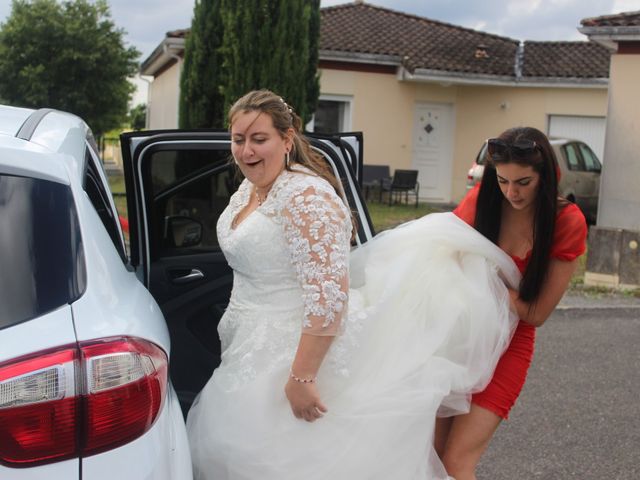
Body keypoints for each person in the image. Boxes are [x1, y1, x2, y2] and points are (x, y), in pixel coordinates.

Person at [186, 89, 522, 479]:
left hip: (293, 355)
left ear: (287, 139)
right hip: (248, 347)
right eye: (238, 140)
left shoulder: (307, 197)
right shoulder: (250, 189)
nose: (246, 151)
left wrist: (302, 378)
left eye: (259, 139)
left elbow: (328, 296)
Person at [434, 127, 588, 480]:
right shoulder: (480, 202)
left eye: (523, 182)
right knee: (431, 456)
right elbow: (439, 263)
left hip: (510, 345)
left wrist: (485, 281)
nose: (511, 192)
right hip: (457, 339)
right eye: (502, 180)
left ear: (545, 177)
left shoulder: (566, 221)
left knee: (457, 462)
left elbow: (536, 313)